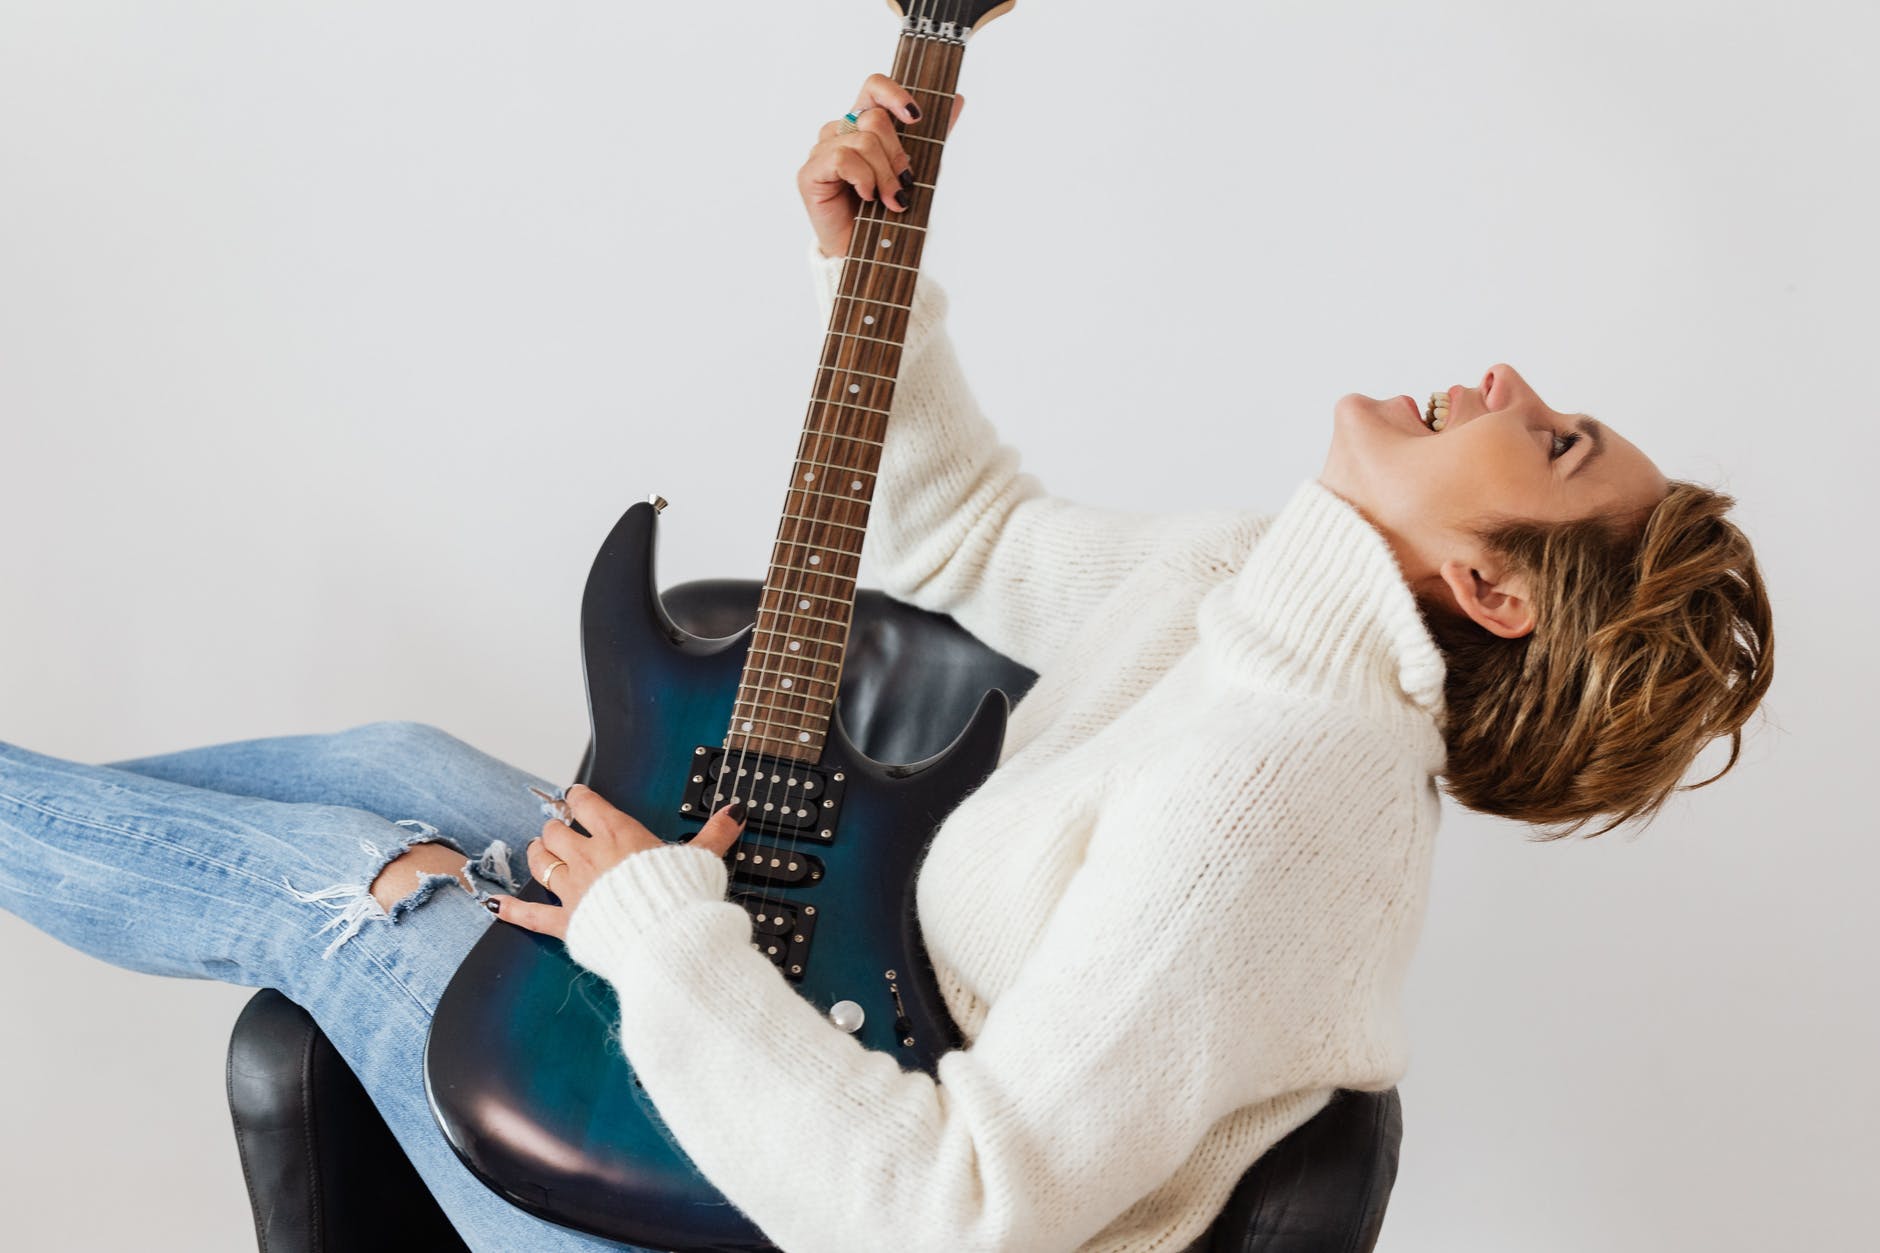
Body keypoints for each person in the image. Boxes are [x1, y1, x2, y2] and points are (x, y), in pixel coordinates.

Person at [0, 72, 1772, 1253]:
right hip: (793, 1042)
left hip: (738, 1204)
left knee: (328, 889)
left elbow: (960, 1204)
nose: (1515, 384)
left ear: (1495, 587)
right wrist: (875, 280)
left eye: (1555, 446)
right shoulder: (1260, 608)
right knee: (401, 757)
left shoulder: (1286, 794)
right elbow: (975, 540)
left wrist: (657, 936)